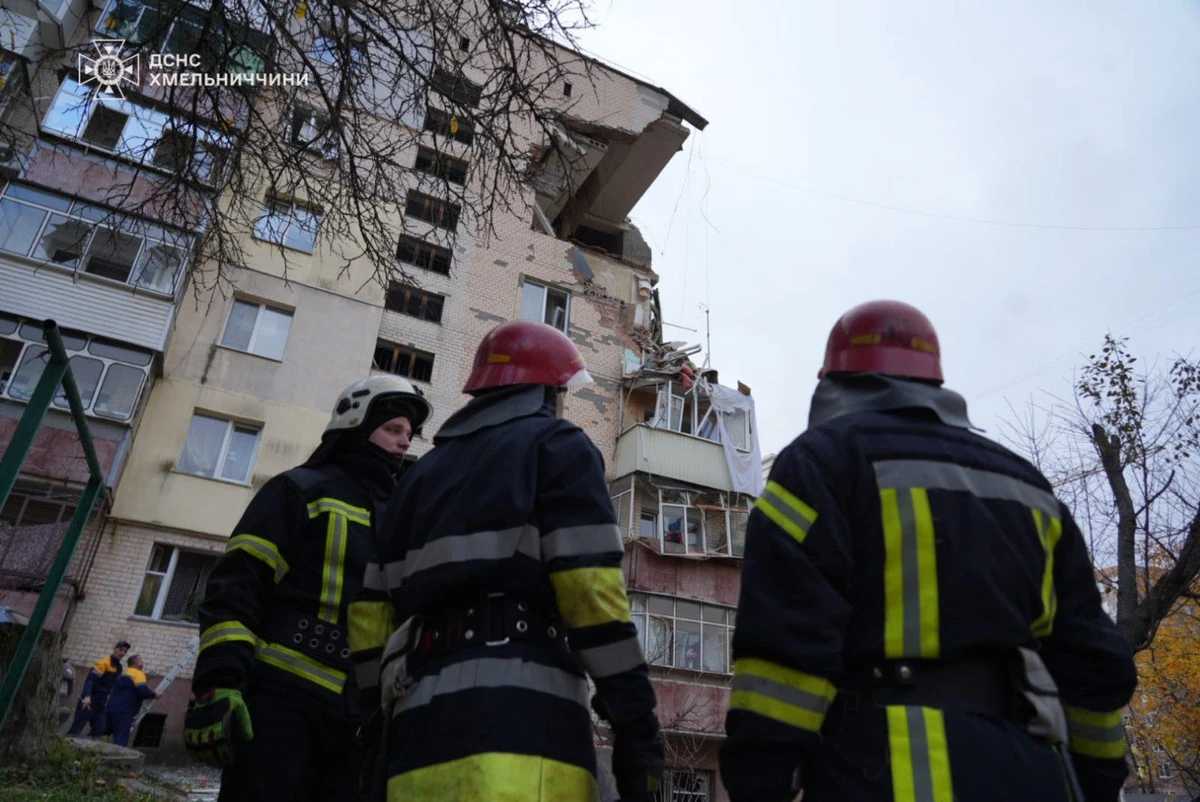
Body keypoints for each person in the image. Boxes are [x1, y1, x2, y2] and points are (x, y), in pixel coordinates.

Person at [719, 300, 1139, 802]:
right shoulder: (1029, 488)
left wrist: (758, 782)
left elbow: (786, 651)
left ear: (833, 382)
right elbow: (1093, 666)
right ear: (934, 382)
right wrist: (1095, 782)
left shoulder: (820, 464)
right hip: (1031, 772)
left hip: (880, 771)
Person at [349, 319, 664, 801]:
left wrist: (375, 719)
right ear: (547, 392)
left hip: (416, 745)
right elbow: (592, 594)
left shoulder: (416, 479)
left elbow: (369, 613)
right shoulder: (558, 447)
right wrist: (636, 721)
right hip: (526, 741)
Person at [182, 375, 431, 802]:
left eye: (409, 433)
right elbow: (239, 584)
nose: (405, 442)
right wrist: (220, 679)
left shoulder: (401, 518)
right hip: (280, 703)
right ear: (355, 423)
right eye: (393, 428)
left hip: (360, 718)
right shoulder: (298, 489)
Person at [66, 639, 129, 738]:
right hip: (91, 699)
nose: (122, 653)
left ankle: (88, 744)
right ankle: (68, 741)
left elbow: (113, 684)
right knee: (77, 726)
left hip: (101, 701)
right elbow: (91, 680)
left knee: (100, 728)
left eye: (125, 651)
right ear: (115, 649)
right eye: (121, 650)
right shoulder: (103, 663)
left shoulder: (118, 667)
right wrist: (87, 696)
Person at [105, 654, 160, 747]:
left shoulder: (123, 673)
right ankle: (117, 755)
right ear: (135, 664)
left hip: (111, 707)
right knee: (120, 739)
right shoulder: (138, 673)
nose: (142, 662)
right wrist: (154, 694)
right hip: (125, 710)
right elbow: (142, 690)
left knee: (104, 732)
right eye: (140, 660)